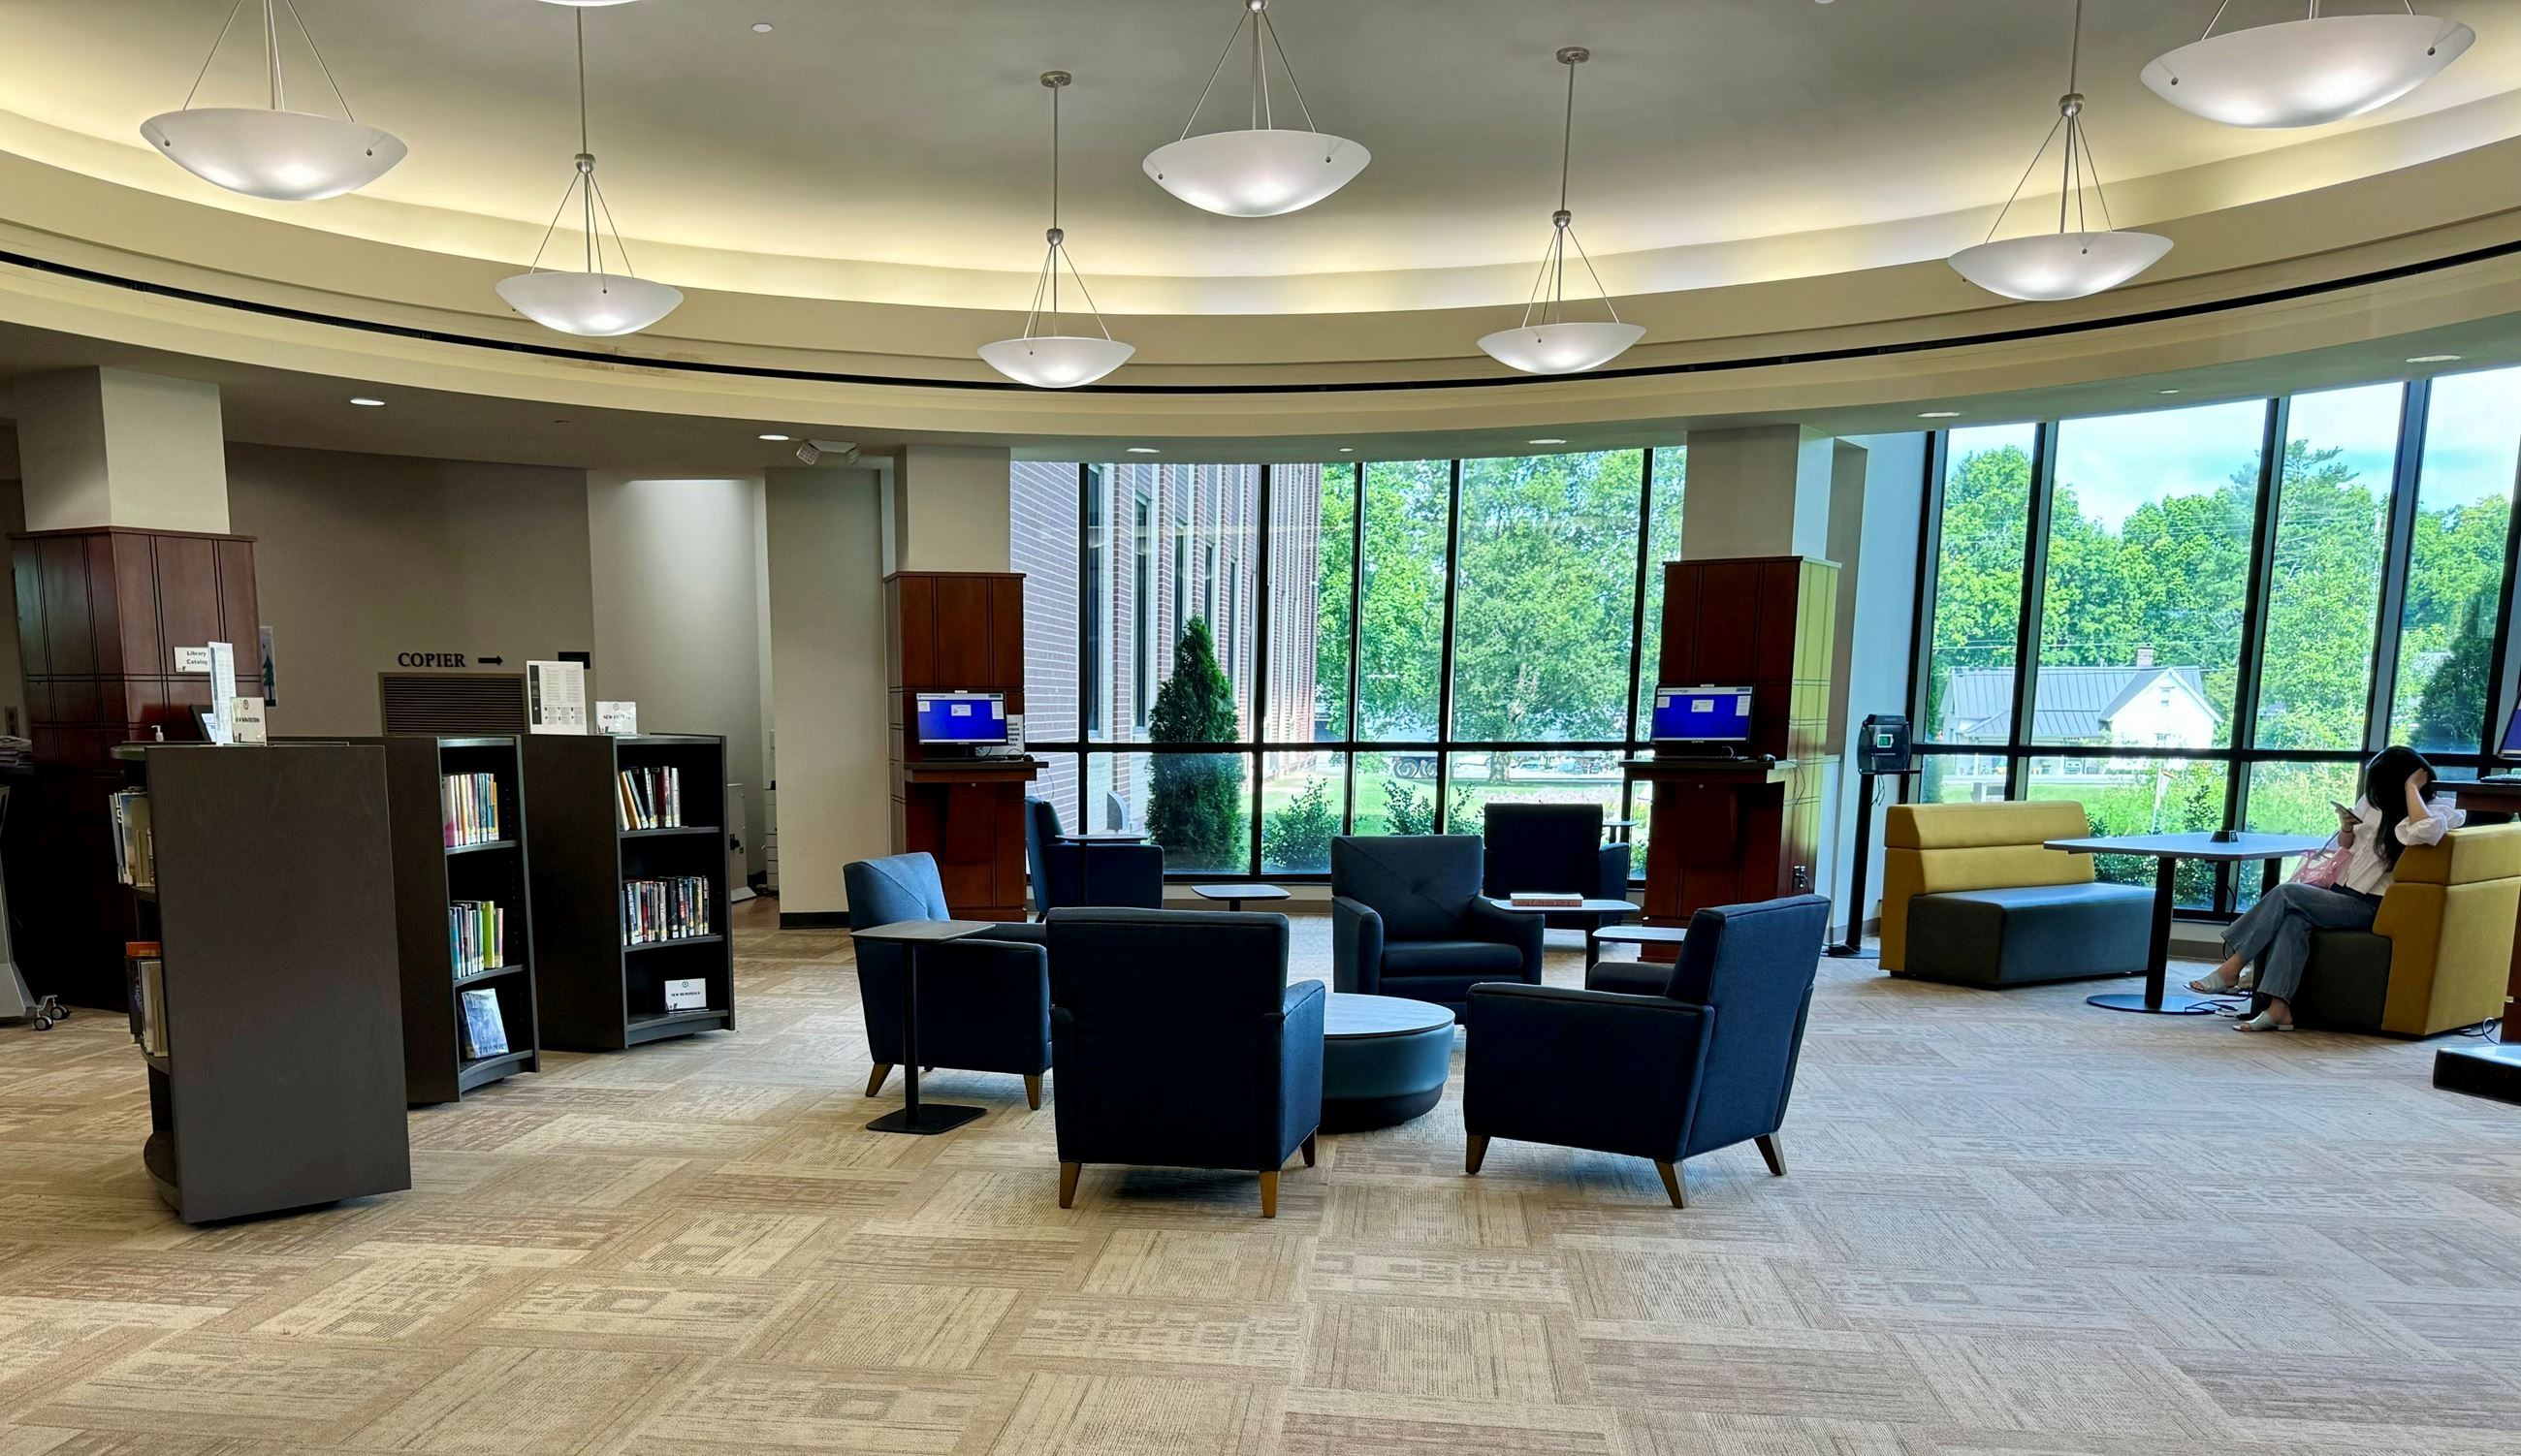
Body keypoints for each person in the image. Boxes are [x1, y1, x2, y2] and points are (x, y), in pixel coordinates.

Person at [2186, 745, 2463, 1031]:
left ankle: (2233, 966)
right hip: (2340, 894)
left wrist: (2410, 788)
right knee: (2294, 920)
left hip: (2373, 905)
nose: (2374, 792)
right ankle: (2279, 1010)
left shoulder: (2437, 810)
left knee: (2286, 892)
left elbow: (2426, 831)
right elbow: (2347, 847)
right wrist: (2346, 828)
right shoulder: (2370, 804)